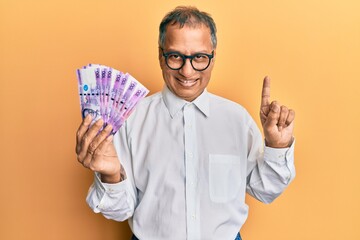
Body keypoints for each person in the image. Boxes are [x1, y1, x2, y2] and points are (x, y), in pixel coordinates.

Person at [76, 6, 296, 240]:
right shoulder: (131, 120)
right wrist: (111, 176)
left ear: (212, 57)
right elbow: (120, 210)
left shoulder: (237, 119)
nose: (187, 70)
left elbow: (266, 191)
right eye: (175, 56)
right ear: (161, 56)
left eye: (199, 57)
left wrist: (277, 147)